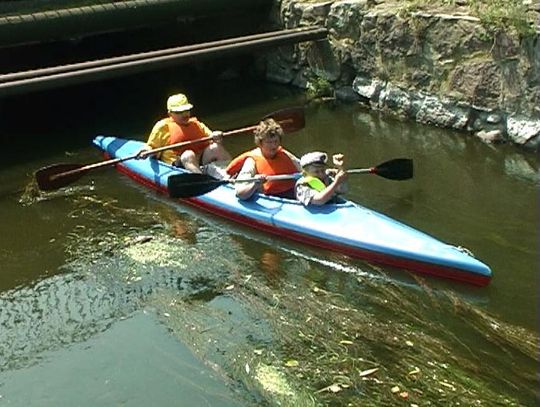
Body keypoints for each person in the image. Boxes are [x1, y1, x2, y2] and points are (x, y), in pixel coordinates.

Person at [137, 93, 231, 173]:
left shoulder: (196, 124)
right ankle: (201, 179)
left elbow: (213, 138)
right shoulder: (162, 127)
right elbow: (151, 147)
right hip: (179, 164)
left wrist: (216, 136)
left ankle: (231, 173)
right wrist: (146, 151)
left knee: (215, 148)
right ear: (170, 114)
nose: (184, 114)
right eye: (179, 112)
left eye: (186, 111)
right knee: (188, 154)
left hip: (200, 161)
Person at [225, 118, 301, 200]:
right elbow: (240, 193)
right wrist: (255, 184)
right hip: (272, 198)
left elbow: (303, 168)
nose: (273, 146)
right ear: (260, 143)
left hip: (293, 193)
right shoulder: (252, 161)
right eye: (269, 142)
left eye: (275, 141)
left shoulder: (284, 154)